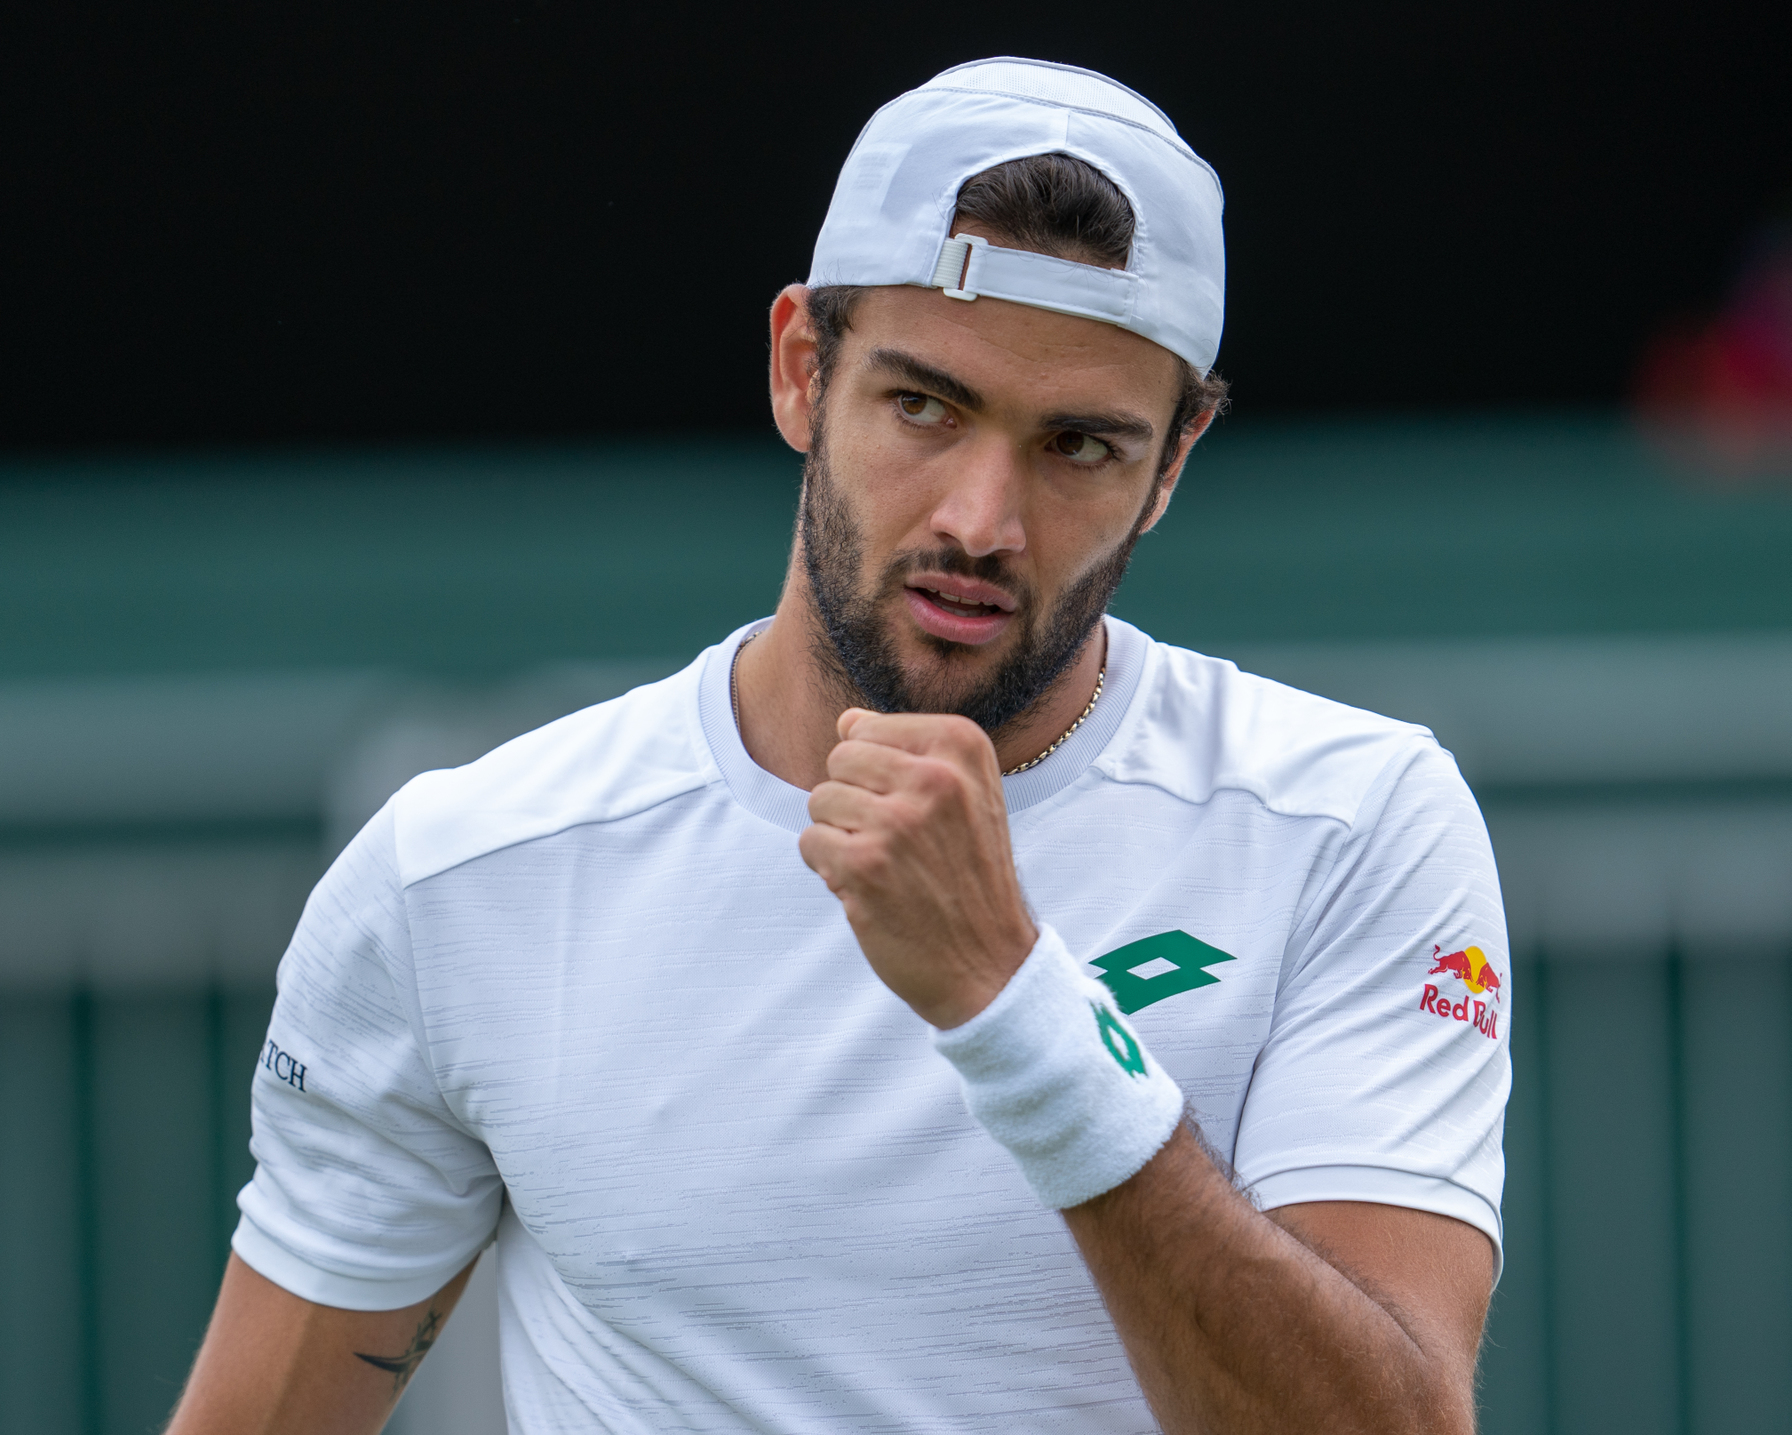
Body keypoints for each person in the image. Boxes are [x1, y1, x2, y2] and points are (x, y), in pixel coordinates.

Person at [167, 57, 1508, 1435]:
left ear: (1173, 462)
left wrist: (1018, 1009)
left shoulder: (1353, 823)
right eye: (924, 406)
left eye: (1079, 447)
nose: (981, 520)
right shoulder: (462, 873)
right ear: (802, 370)